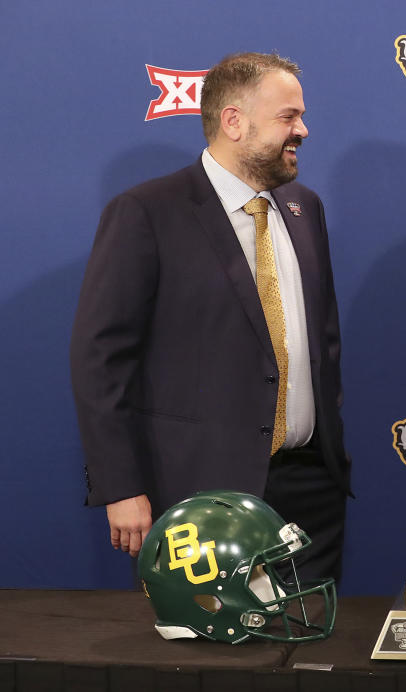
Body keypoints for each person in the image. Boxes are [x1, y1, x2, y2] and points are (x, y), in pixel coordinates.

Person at [70, 52, 351, 583]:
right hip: (198, 495)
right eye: (288, 117)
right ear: (233, 121)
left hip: (311, 492)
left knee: (313, 651)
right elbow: (99, 360)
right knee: (213, 659)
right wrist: (120, 484)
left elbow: (322, 341)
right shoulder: (148, 213)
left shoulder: (303, 207)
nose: (303, 130)